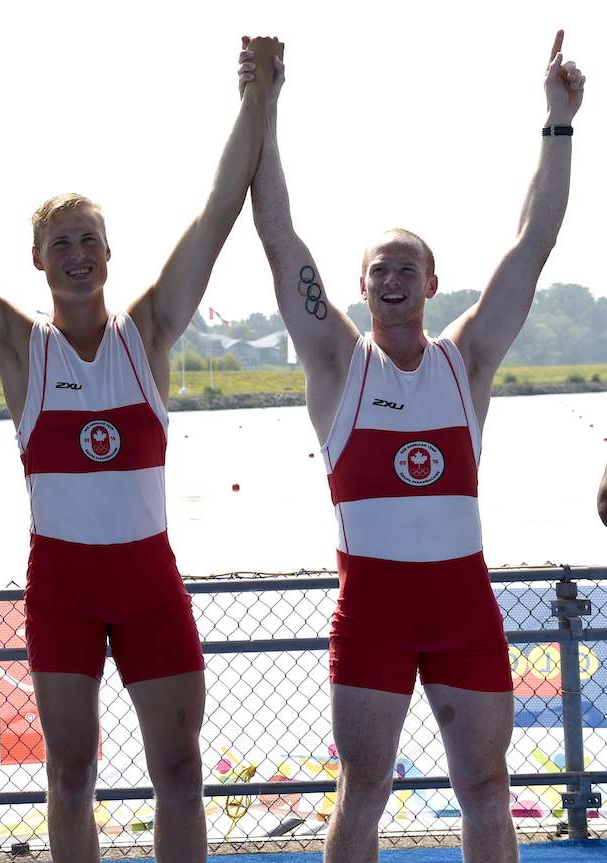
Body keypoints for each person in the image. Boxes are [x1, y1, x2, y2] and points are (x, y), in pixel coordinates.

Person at [0, 40, 279, 861]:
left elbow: (220, 207)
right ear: (39, 261)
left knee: (181, 768)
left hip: (149, 580)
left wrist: (256, 94)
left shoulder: (150, 331)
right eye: (62, 245)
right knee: (72, 772)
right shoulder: (22, 352)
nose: (78, 255)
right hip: (63, 587)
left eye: (90, 241)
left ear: (110, 253)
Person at [247, 33, 586, 863]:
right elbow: (279, 236)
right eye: (377, 268)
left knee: (486, 791)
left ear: (432, 283)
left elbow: (532, 245)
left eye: (408, 266)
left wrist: (558, 122)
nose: (391, 277)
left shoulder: (465, 362)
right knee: (362, 791)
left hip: (464, 610)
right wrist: (266, 105)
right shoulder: (336, 365)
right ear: (359, 287)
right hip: (372, 615)